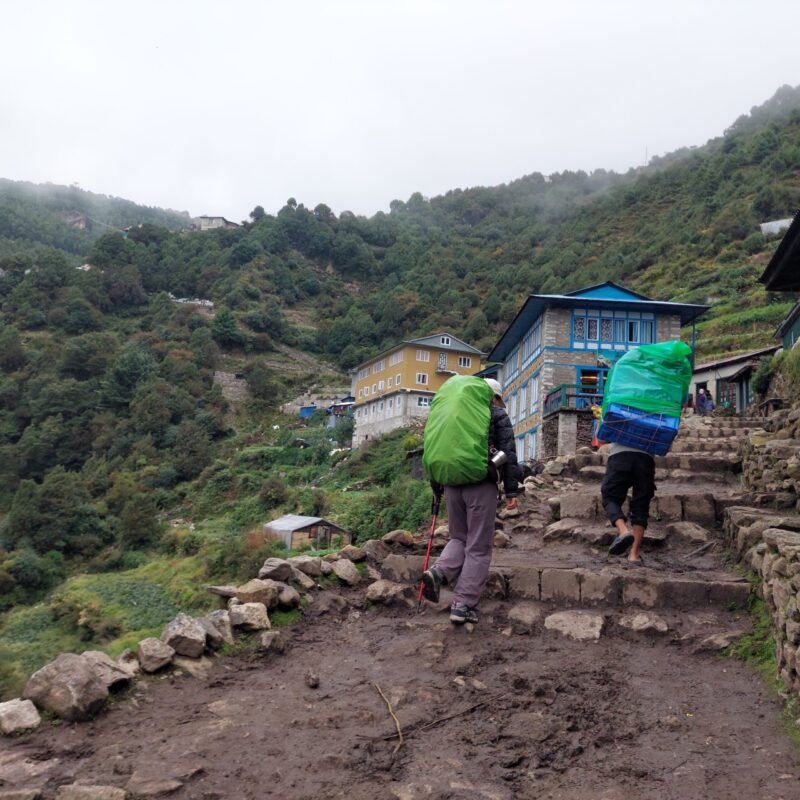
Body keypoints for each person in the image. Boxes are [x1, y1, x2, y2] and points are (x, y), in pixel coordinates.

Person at [421, 378, 519, 625]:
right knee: (478, 545)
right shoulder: (495, 414)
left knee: (459, 538)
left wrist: (436, 487)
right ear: (494, 397)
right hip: (480, 483)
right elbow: (508, 453)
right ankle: (463, 603)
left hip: (451, 483)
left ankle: (439, 572)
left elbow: (434, 449)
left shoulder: (453, 414)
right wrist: (511, 492)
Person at [602, 439, 656, 567]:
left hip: (619, 457)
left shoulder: (620, 418)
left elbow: (601, 438)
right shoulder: (659, 417)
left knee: (610, 497)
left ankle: (623, 531)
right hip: (646, 459)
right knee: (641, 506)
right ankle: (634, 555)